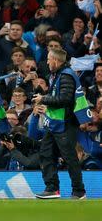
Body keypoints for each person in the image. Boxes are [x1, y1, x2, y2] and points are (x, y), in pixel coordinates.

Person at [32, 48, 89, 199]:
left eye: (49, 60)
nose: (47, 63)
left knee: (69, 158)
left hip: (66, 123)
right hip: (55, 123)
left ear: (56, 61)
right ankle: (52, 189)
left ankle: (79, 191)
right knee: (45, 153)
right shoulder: (58, 75)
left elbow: (65, 99)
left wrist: (43, 99)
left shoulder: (66, 76)